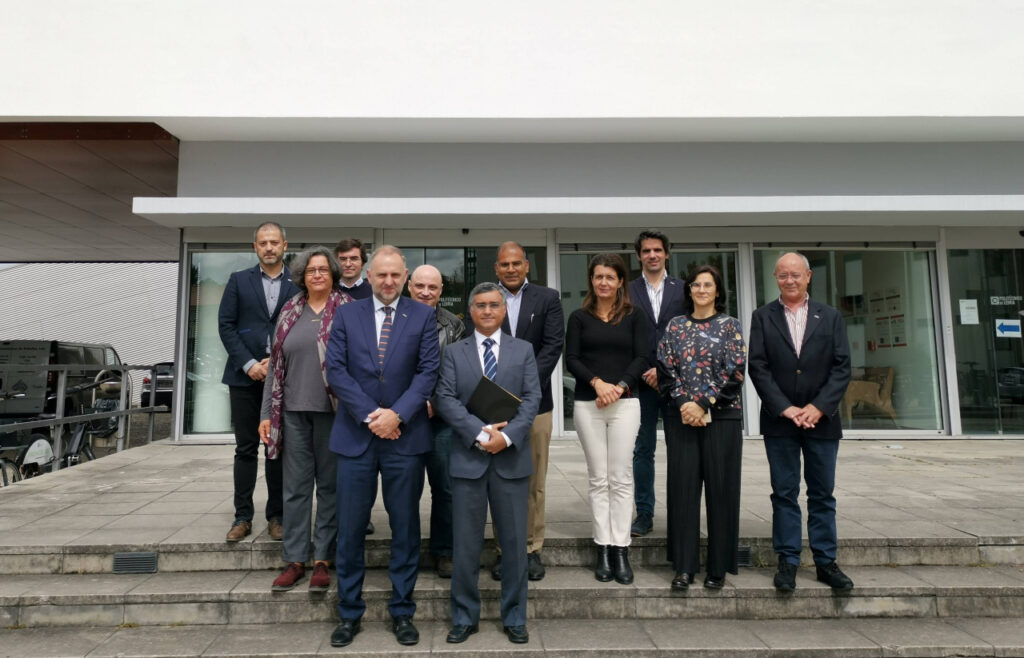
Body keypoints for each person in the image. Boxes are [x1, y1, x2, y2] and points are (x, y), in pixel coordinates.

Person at [324, 245, 440, 648]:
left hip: (405, 439)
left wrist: (398, 415)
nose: (388, 282)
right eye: (381, 275)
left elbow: (428, 372)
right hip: (356, 437)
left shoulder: (422, 315)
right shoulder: (346, 314)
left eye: (395, 275)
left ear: (405, 276)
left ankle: (402, 610)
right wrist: (373, 415)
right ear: (368, 276)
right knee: (350, 529)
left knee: (405, 527)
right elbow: (336, 370)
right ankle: (349, 612)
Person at [435, 282, 541, 645]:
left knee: (514, 544)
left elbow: (532, 398)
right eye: (480, 305)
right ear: (470, 311)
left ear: (503, 310)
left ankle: (515, 617)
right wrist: (481, 434)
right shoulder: (455, 353)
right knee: (465, 545)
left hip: (511, 459)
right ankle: (464, 617)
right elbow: (445, 398)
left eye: (494, 305)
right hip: (469, 459)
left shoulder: (523, 350)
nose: (487, 311)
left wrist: (506, 438)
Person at [748, 252, 854, 592]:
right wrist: (785, 407)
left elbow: (842, 366)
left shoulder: (831, 316)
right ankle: (788, 560)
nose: (789, 280)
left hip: (822, 421)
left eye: (795, 274)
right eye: (783, 275)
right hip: (780, 422)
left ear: (808, 276)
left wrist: (819, 406)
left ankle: (825, 561)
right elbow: (758, 366)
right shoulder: (762, 317)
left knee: (822, 494)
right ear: (775, 278)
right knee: (784, 492)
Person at [257, 246, 351, 591]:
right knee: (295, 488)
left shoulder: (348, 309)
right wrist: (266, 414)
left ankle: (323, 559)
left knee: (329, 488)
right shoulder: (290, 309)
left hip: (334, 413)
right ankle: (295, 559)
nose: (317, 275)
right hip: (292, 412)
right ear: (302, 276)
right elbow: (275, 366)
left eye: (323, 269)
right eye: (311, 270)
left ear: (333, 274)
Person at [469, 241, 563, 582]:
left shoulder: (548, 298)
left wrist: (524, 386)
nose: (510, 269)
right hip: (494, 407)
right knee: (501, 480)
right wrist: (501, 393)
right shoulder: (485, 298)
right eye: (504, 264)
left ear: (526, 266)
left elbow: (553, 346)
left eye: (516, 263)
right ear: (496, 268)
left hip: (536, 406)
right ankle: (504, 549)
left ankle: (531, 549)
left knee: (533, 481)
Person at [657, 265, 746, 590]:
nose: (702, 289)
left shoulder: (730, 326)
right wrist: (685, 403)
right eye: (696, 284)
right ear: (689, 290)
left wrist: (704, 404)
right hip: (681, 418)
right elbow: (665, 367)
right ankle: (684, 567)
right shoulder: (675, 326)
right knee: (682, 492)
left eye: (708, 285)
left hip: (722, 418)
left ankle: (718, 567)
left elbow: (735, 371)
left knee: (722, 491)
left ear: (717, 291)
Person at [565, 253, 651, 585]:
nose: (604, 282)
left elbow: (642, 356)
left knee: (621, 477)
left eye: (610, 277)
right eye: (598, 276)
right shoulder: (579, 317)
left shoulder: (634, 316)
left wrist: (620, 386)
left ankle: (621, 548)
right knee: (598, 478)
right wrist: (598, 384)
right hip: (589, 405)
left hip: (625, 404)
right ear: (592, 280)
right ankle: (602, 546)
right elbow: (572, 358)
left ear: (620, 282)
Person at [218, 221, 300, 543]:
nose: (269, 247)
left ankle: (277, 516)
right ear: (255, 247)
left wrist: (277, 364)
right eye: (263, 243)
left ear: (284, 245)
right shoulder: (239, 281)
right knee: (245, 448)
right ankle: (242, 516)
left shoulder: (297, 283)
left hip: (283, 379)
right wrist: (249, 364)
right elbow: (226, 325)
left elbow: (301, 326)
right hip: (244, 377)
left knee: (276, 448)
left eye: (274, 242)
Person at [628, 230, 687, 537]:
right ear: (639, 255)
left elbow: (690, 334)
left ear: (667, 253)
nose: (652, 255)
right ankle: (644, 512)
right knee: (642, 450)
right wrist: (643, 370)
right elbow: (624, 335)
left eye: (657, 250)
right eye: (647, 250)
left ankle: (680, 512)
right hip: (641, 384)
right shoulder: (627, 290)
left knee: (681, 451)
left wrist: (663, 370)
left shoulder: (684, 289)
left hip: (676, 382)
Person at [408, 264, 465, 578]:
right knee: (406, 489)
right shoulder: (394, 319)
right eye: (420, 286)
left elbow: (458, 374)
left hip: (440, 419)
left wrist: (434, 403)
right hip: (405, 420)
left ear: (441, 291)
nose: (426, 292)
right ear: (410, 286)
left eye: (432, 287)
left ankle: (445, 551)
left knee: (446, 488)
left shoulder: (453, 325)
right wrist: (411, 405)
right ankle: (408, 551)